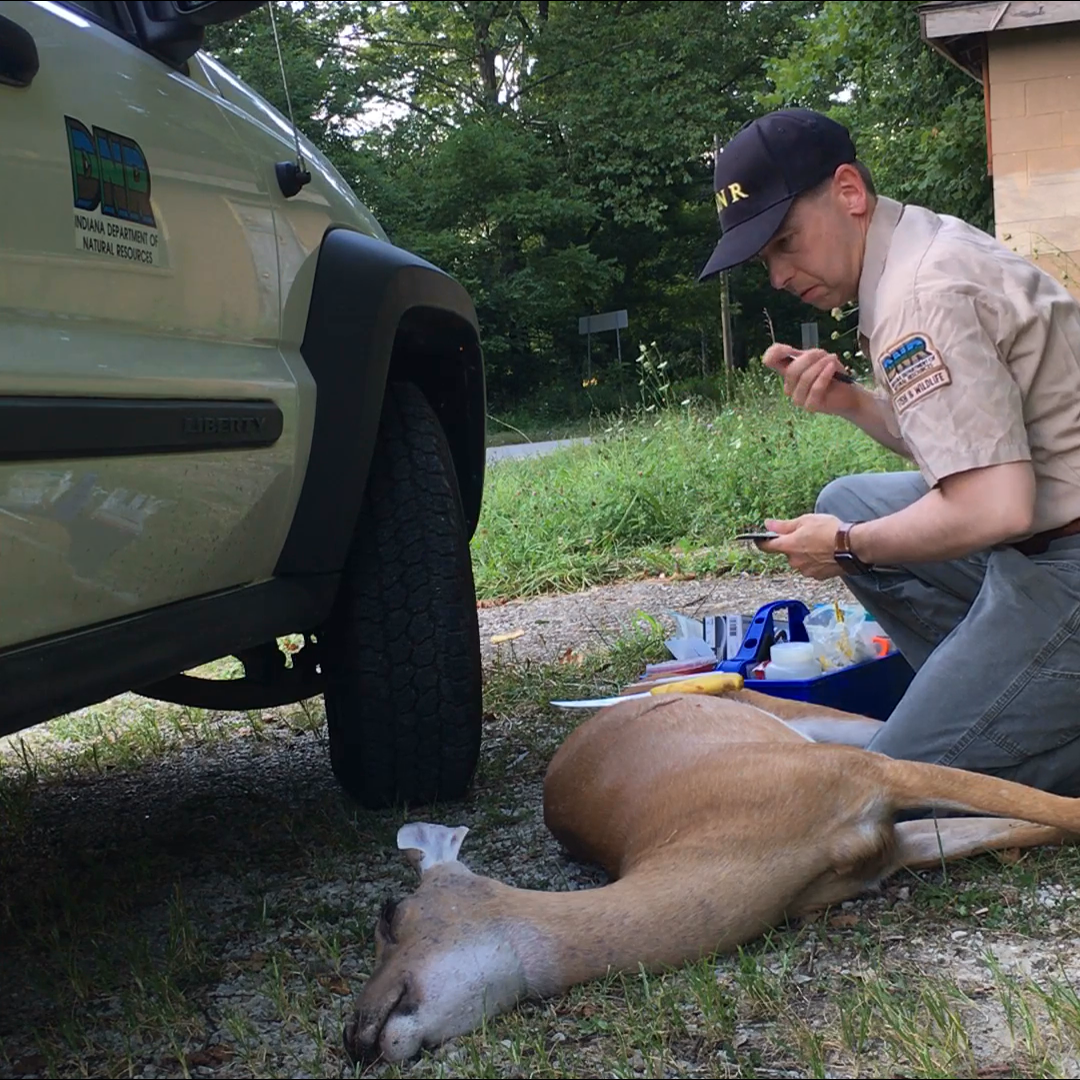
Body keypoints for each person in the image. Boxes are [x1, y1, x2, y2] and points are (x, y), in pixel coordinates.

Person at [699, 107, 1080, 797]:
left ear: (849, 191)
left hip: (1063, 556)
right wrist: (850, 401)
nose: (779, 275)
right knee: (845, 497)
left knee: (884, 785)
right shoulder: (916, 247)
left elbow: (995, 504)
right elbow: (971, 441)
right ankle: (1006, 687)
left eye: (786, 242)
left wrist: (845, 546)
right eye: (766, 261)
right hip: (1044, 528)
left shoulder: (919, 294)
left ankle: (1027, 720)